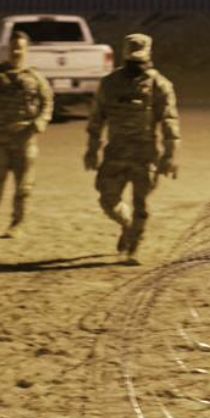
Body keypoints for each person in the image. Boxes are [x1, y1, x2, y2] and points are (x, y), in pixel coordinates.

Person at [84, 33, 180, 264]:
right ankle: (128, 226)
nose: (136, 64)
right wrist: (92, 148)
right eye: (132, 59)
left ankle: (134, 246)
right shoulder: (109, 84)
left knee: (141, 203)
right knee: (107, 200)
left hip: (144, 154)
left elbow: (169, 120)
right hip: (116, 151)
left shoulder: (160, 84)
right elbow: (97, 118)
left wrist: (169, 155)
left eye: (140, 58)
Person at [0, 31, 53, 238]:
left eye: (21, 47)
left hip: (25, 138)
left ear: (26, 50)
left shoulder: (35, 77)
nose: (16, 51)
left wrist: (39, 124)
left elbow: (47, 102)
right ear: (7, 49)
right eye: (13, 47)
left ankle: (16, 224)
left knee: (23, 186)